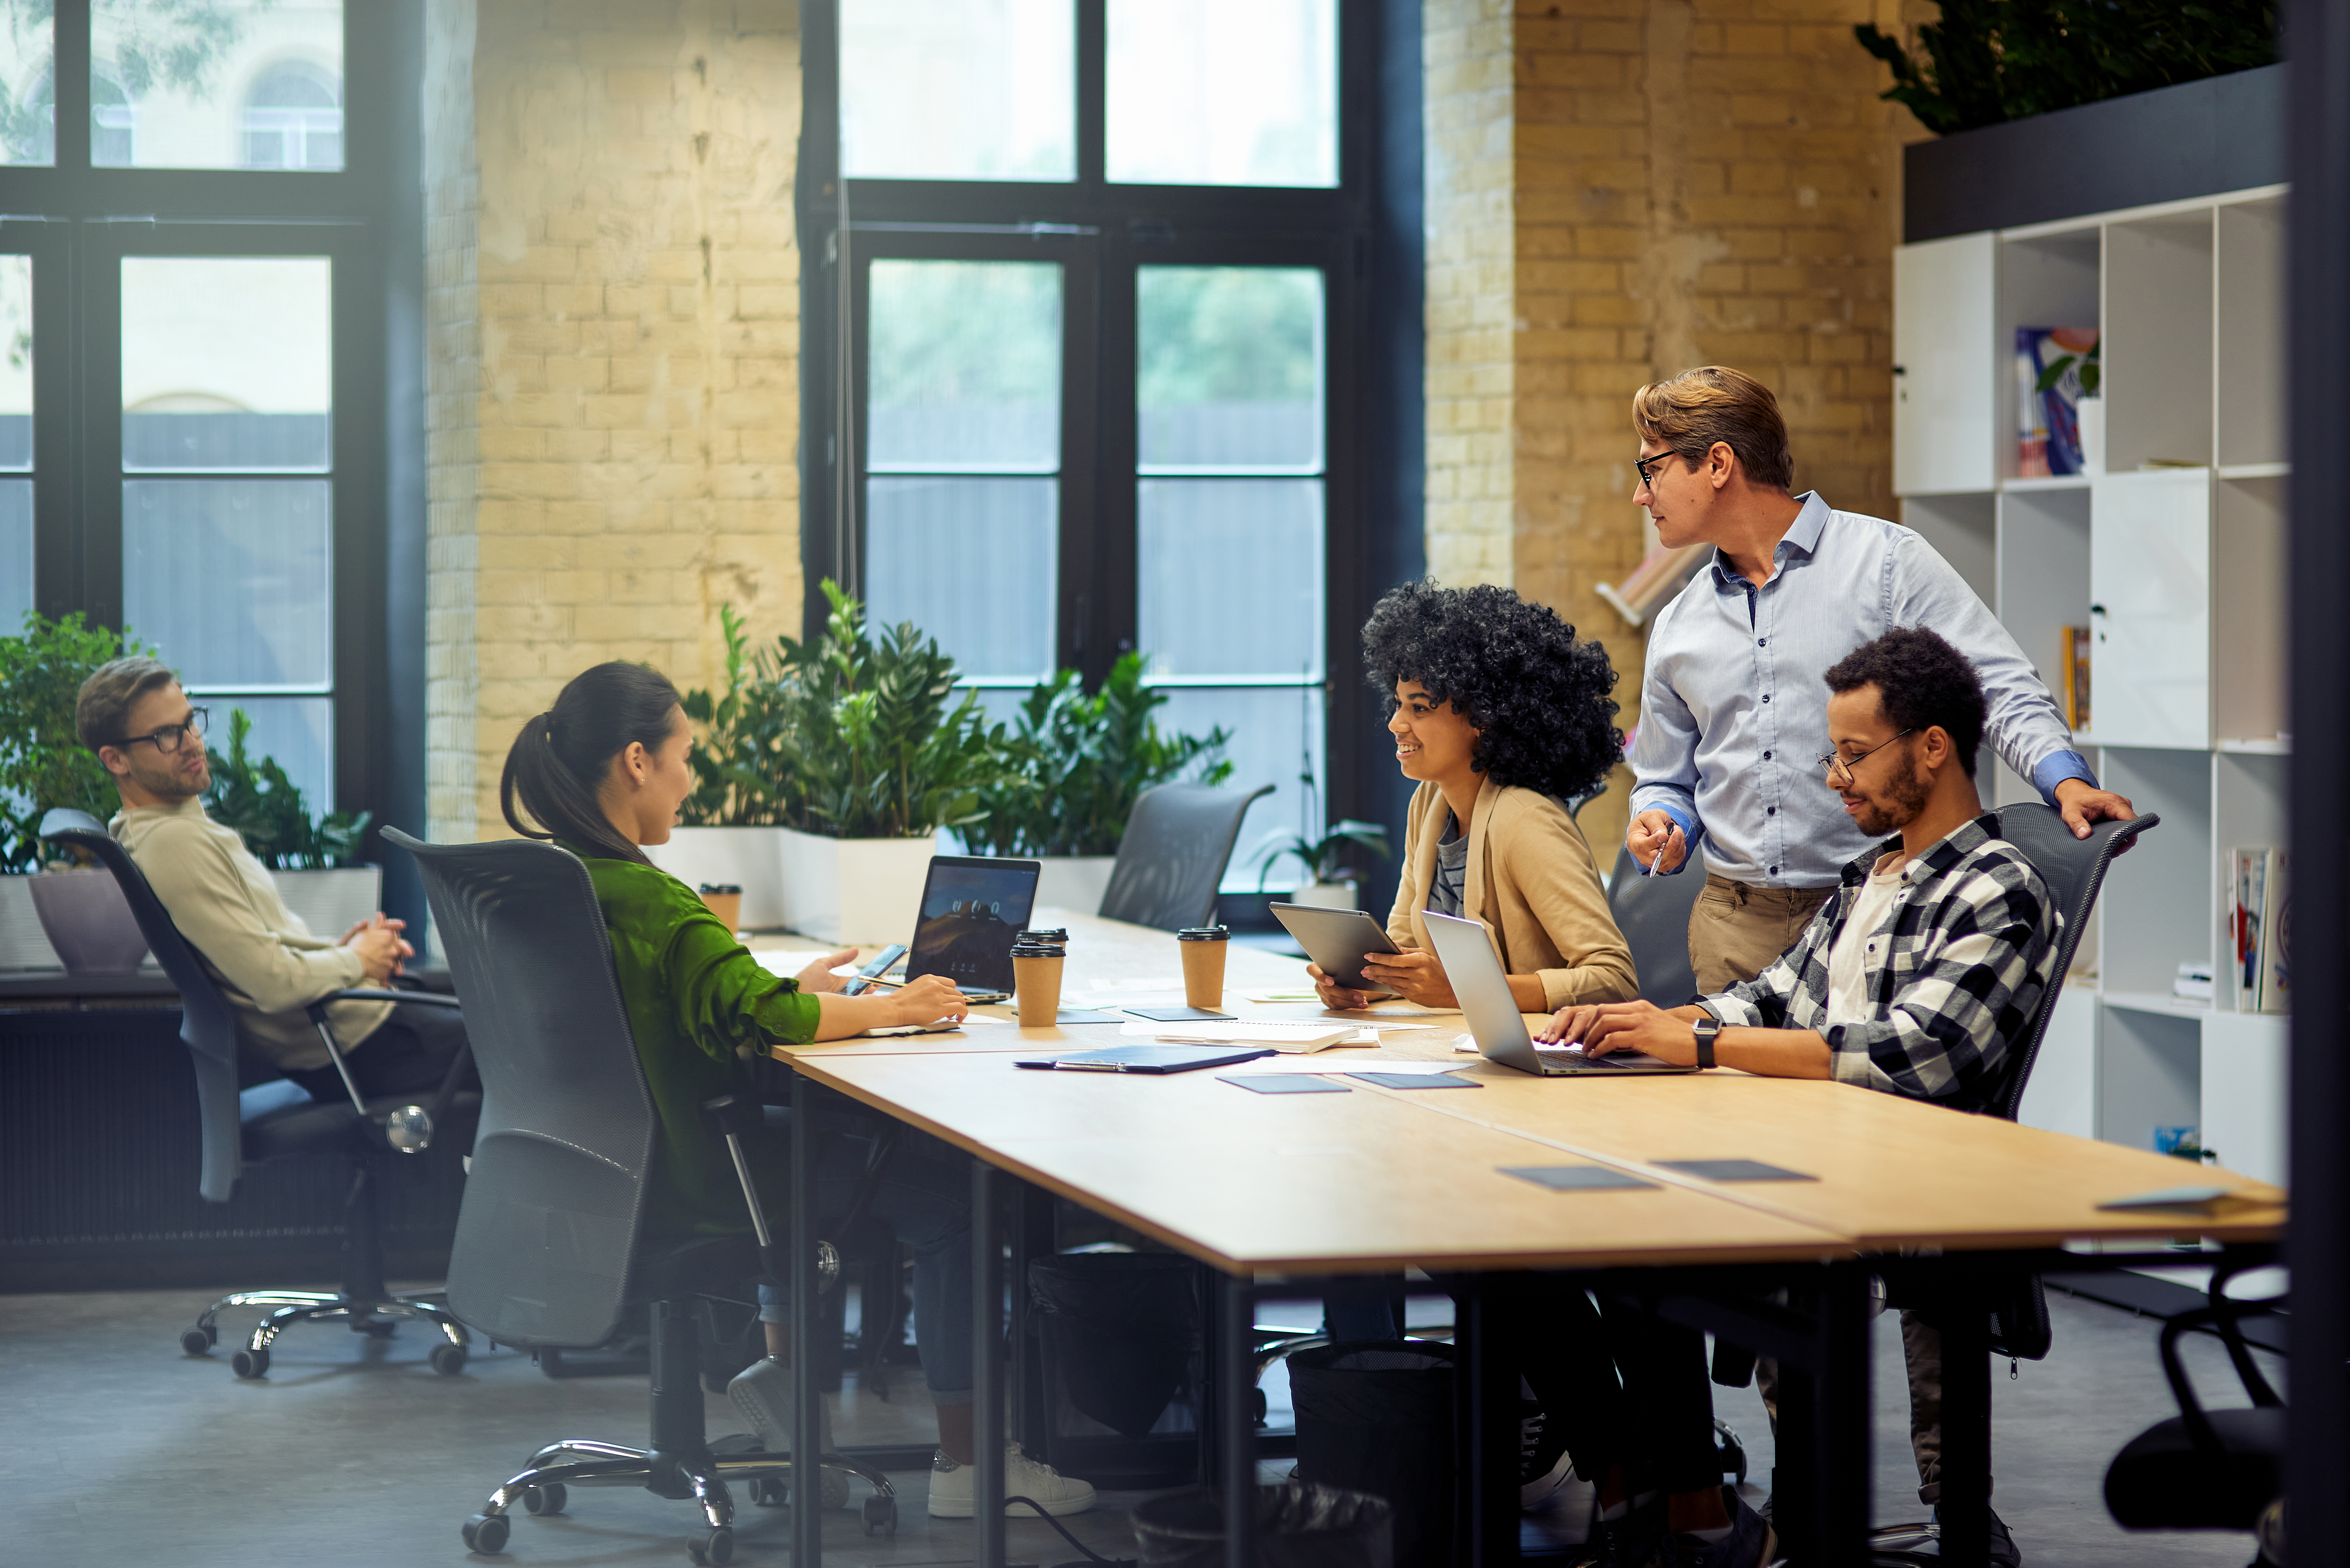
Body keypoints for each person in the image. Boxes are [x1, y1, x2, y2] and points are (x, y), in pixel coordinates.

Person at [498, 660, 1094, 1519]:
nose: (688, 780)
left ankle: (791, 1418)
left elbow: (713, 1006)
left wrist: (802, 987)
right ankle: (968, 1464)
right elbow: (770, 1016)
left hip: (600, 1174)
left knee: (787, 1141)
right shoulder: (656, 901)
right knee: (956, 1197)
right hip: (698, 1179)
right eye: (685, 756)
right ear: (636, 760)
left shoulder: (556, 884)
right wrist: (897, 1003)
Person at [1544, 626, 2059, 1566]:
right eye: (1833, 754)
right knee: (1583, 1233)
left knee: (1622, 1245)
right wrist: (1660, 1019)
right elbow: (1774, 991)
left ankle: (1715, 1512)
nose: (1834, 777)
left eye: (1854, 754)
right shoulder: (1869, 874)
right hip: (1809, 1162)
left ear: (1932, 747)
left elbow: (1918, 1051)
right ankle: (1682, 1503)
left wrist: (1701, 1042)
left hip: (1904, 1187)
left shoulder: (1998, 888)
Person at [1622, 365, 2129, 996]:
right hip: (1735, 928)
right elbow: (1668, 778)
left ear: (1718, 462)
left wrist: (2065, 780)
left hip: (1882, 907)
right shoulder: (1677, 624)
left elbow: (1995, 684)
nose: (1641, 495)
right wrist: (1661, 819)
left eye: (1652, 469)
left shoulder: (1887, 564)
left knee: (1871, 1085)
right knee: (1734, 1094)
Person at [1307, 581, 1638, 1350]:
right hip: (1478, 1086)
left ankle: (1566, 1441)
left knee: (1435, 1236)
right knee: (1357, 1198)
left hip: (1555, 1101)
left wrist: (1474, 987)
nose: (1396, 723)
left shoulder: (1525, 820)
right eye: (1398, 703)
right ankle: (1376, 1406)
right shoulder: (1431, 805)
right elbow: (1405, 950)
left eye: (1420, 707)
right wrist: (1362, 984)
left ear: (1483, 718)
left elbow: (1614, 977)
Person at [77, 656, 469, 1107]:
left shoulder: (166, 828)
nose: (192, 744)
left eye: (190, 722)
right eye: (166, 735)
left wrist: (347, 951)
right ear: (115, 759)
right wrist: (357, 960)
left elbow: (261, 949)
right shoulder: (173, 842)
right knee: (540, 1058)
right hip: (363, 1048)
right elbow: (273, 983)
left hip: (361, 1032)